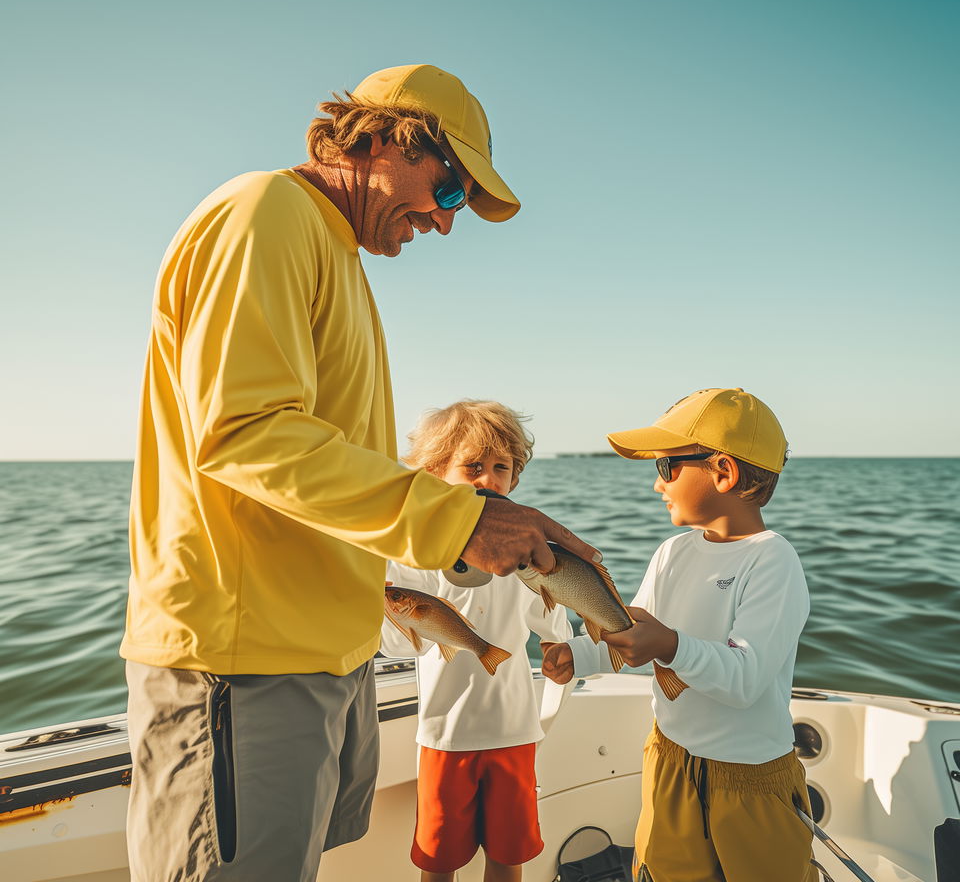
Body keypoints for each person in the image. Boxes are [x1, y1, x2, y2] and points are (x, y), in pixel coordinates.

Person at [121, 64, 599, 882]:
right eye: (448, 193)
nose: (445, 224)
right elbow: (245, 432)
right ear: (381, 139)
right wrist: (461, 520)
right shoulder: (265, 213)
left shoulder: (333, 251)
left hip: (321, 655)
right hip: (246, 658)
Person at [541, 388, 816, 882]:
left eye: (667, 466)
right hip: (670, 761)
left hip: (750, 781)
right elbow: (633, 637)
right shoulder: (672, 552)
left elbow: (744, 678)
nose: (656, 484)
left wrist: (670, 645)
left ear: (724, 472)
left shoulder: (772, 559)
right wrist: (579, 656)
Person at [380, 400, 573, 882]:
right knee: (438, 861)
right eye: (473, 467)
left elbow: (553, 622)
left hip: (514, 733)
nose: (489, 478)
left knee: (509, 857)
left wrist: (558, 652)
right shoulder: (410, 558)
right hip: (445, 736)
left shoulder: (524, 558)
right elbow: (401, 647)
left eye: (501, 468)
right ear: (433, 476)